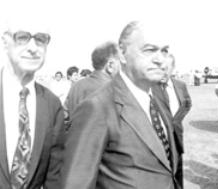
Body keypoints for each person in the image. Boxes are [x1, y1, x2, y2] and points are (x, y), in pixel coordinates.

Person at [60, 21, 181, 189]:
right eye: (150, 50)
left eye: (165, 51)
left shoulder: (158, 98)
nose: (161, 60)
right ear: (122, 54)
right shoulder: (97, 107)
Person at [0, 21, 65, 189]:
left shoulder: (52, 105)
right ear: (5, 42)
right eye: (22, 37)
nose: (33, 48)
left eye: (40, 39)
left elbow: (55, 175)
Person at [151, 54, 190, 186]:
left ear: (173, 68)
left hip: (177, 139)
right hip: (159, 143)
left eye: (165, 68)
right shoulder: (150, 87)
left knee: (178, 176)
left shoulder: (180, 85)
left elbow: (187, 103)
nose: (162, 71)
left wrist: (176, 121)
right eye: (159, 67)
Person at [64, 41, 121, 115]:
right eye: (121, 63)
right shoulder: (115, 91)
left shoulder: (77, 86)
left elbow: (64, 117)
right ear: (110, 65)